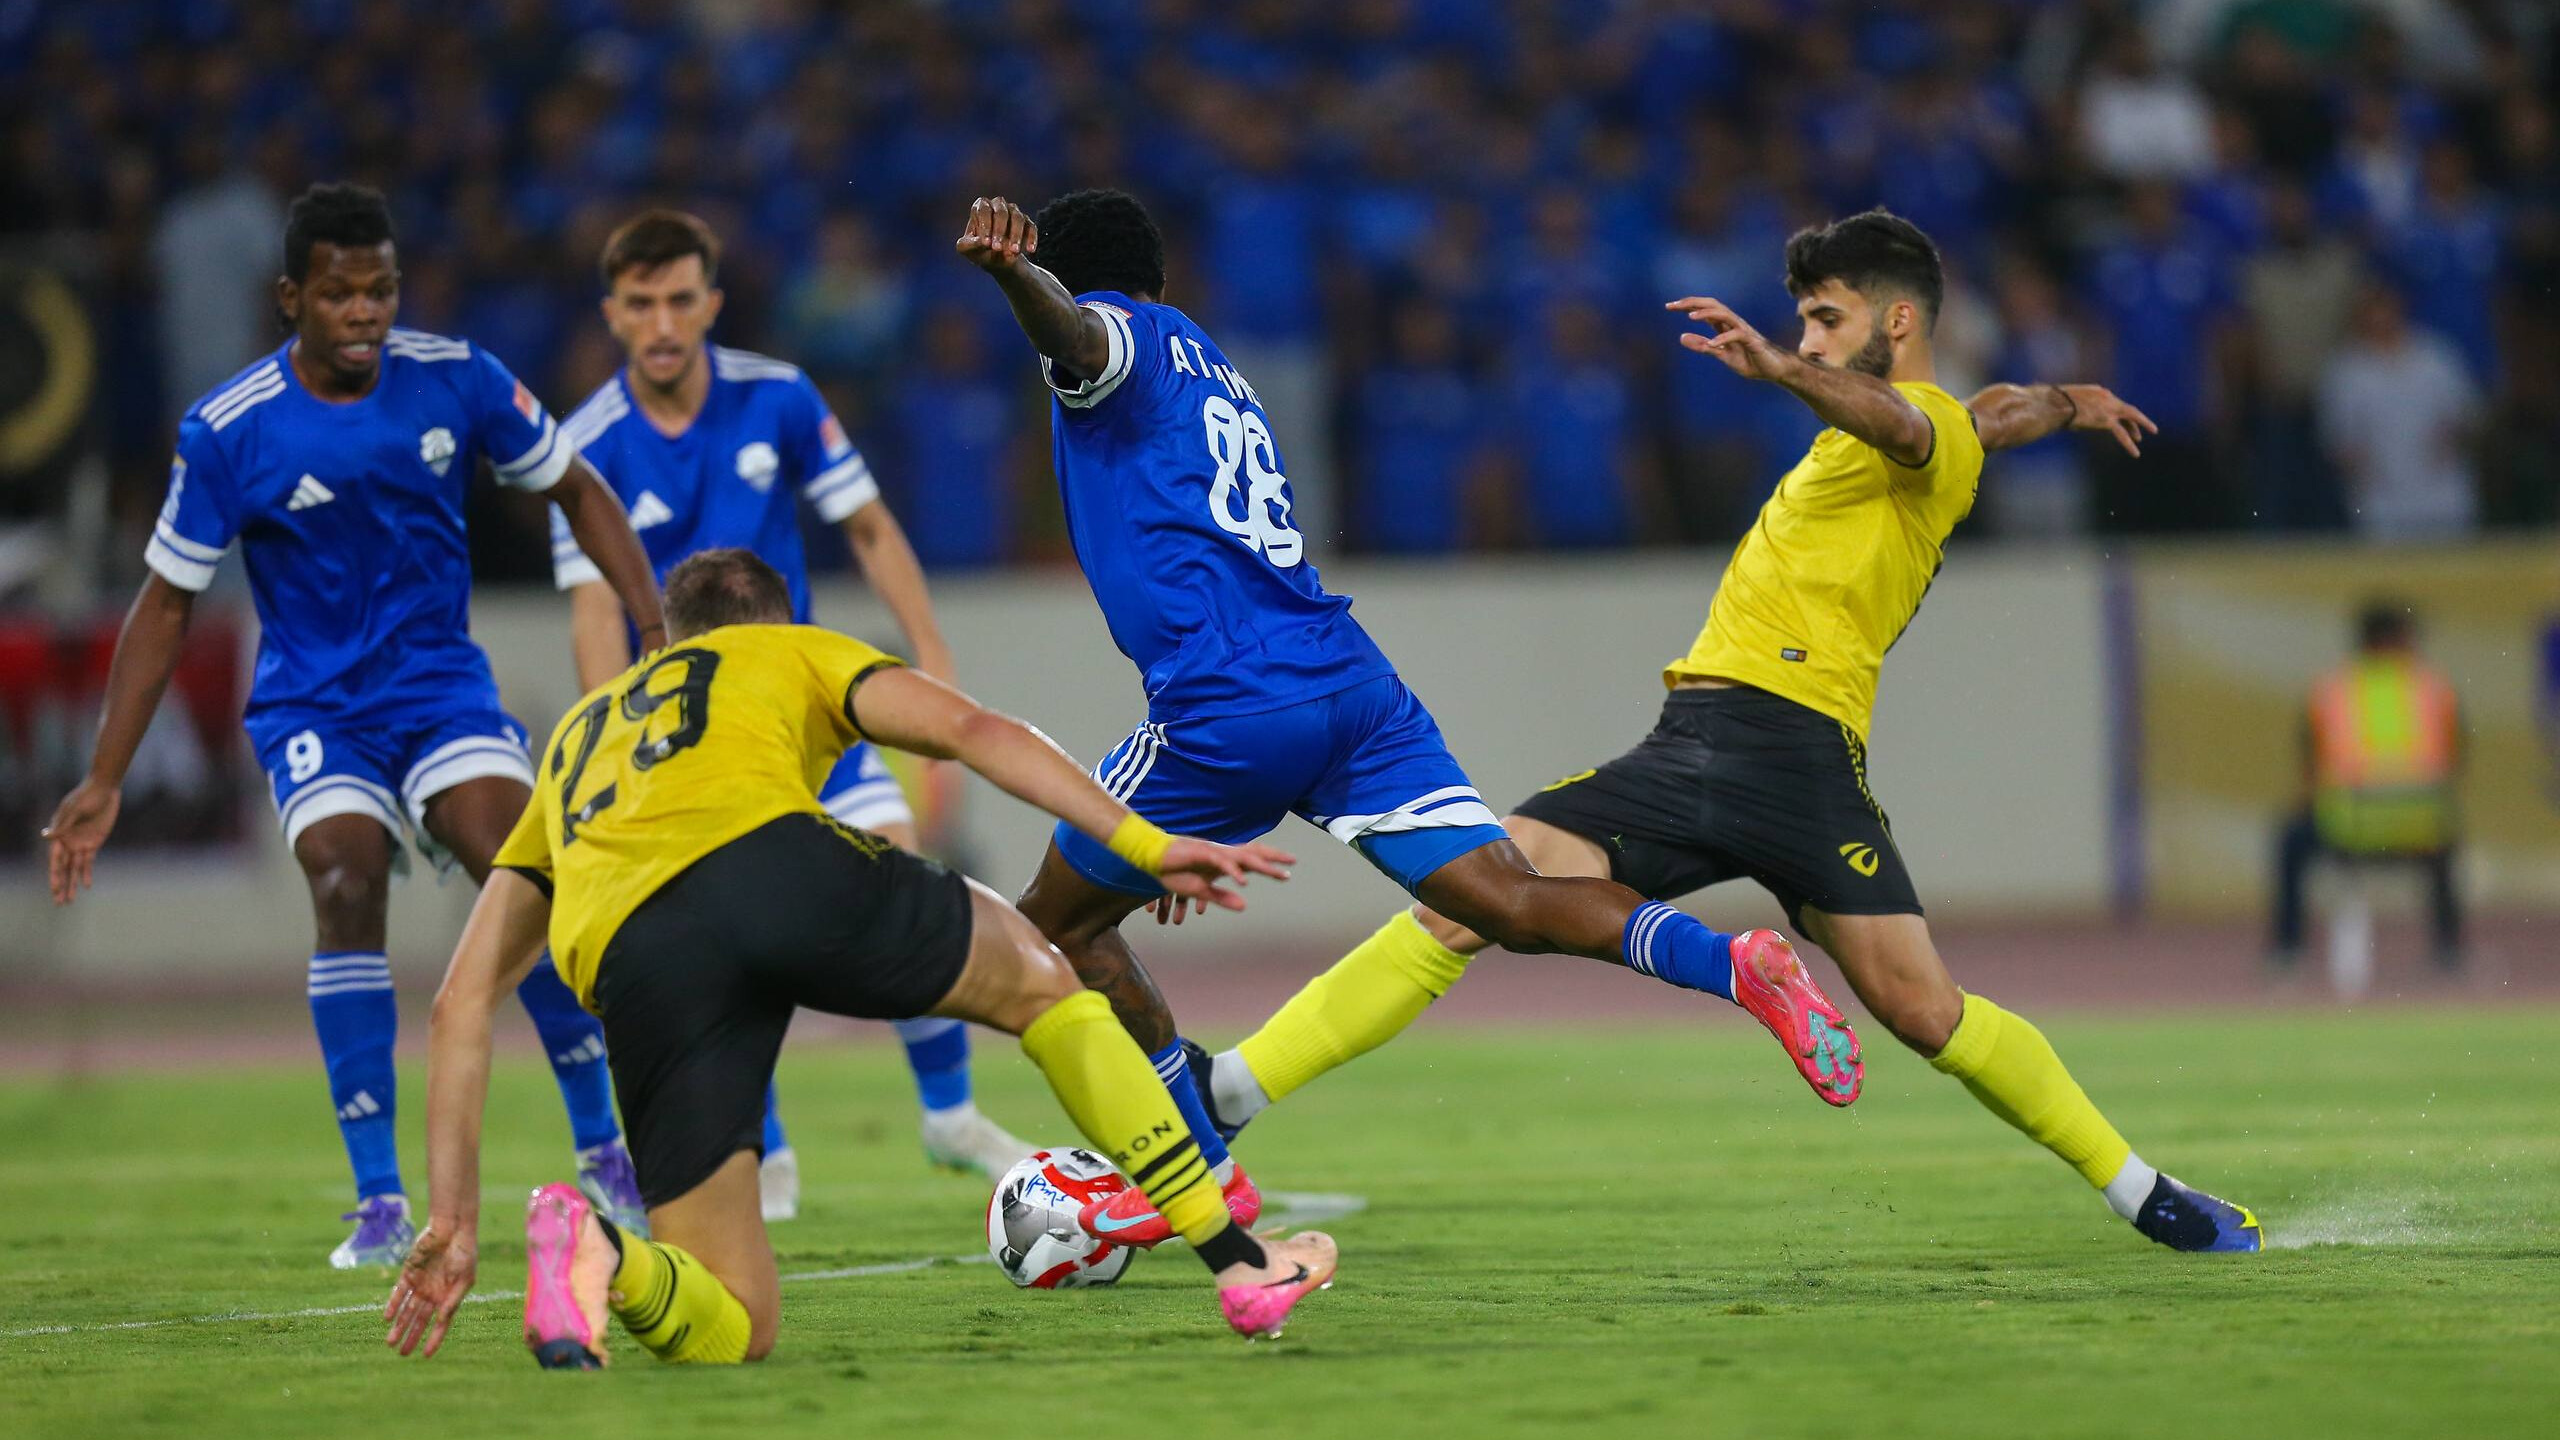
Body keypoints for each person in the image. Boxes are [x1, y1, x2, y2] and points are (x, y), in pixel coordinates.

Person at [1198, 209, 2266, 1254]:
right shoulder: (1949, 429)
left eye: (1826, 320)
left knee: (1919, 1009)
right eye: (1801, 325)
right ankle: (1232, 1091)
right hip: (1702, 739)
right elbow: (2000, 411)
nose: (1807, 339)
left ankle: (2142, 1190)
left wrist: (1782, 371)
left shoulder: (1911, 426)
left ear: (1895, 325)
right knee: (1472, 897)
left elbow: (1919, 421)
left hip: (1785, 750)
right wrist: (2068, 400)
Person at [956, 190, 1866, 1251]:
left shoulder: (1121, 341)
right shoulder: (1213, 361)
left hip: (1225, 708)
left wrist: (1018, 278)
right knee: (1509, 901)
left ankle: (1192, 1159)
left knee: (1047, 934)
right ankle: (1733, 963)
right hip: (1351, 685)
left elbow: (1074, 333)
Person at [381, 549, 1335, 1366]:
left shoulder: (580, 740)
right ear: (772, 620)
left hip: (635, 962)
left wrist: (453, 1225)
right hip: (768, 863)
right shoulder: (787, 647)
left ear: (659, 644)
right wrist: (1144, 844)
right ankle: (1243, 1266)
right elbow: (975, 732)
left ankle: (598, 1246)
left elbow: (458, 1004)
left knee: (739, 1319)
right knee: (1043, 976)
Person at [42, 183, 664, 1266]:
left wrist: (657, 624)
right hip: (314, 708)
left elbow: (578, 488)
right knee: (343, 876)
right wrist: (104, 775)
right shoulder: (229, 430)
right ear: (292, 297)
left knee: (528, 872)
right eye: (341, 294)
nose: (367, 312)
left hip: (441, 692)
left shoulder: (457, 377)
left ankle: (604, 1143)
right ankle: (380, 1202)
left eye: (380, 289)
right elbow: (165, 604)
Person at [550, 210, 1027, 1220]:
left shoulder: (779, 396)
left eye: (681, 298)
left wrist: (928, 645)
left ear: (712, 303)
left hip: (803, 708)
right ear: (613, 315)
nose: (663, 321)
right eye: (641, 304)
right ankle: (758, 1144)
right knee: (721, 926)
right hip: (691, 738)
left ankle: (948, 1113)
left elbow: (865, 521)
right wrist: (614, 724)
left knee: (897, 864)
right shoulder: (585, 443)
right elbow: (593, 603)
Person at [2270, 600, 2464, 970]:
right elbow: (2454, 762)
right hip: (2422, 829)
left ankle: (2288, 948)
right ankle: (2448, 950)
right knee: (2448, 840)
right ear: (2399, 638)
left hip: (2348, 827)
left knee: (2290, 840)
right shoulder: (2433, 687)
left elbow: (2311, 768)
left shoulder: (2331, 689)